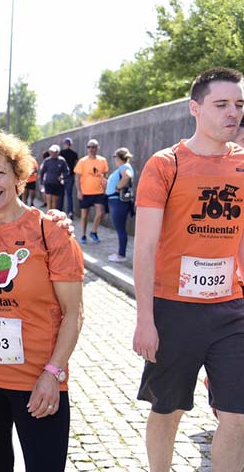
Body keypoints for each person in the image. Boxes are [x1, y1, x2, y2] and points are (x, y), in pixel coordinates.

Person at [0, 130, 84, 472]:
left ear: (18, 176)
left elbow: (73, 314)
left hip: (36, 381)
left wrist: (53, 374)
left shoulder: (50, 231)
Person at [132, 67, 244, 472]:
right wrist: (146, 319)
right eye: (221, 105)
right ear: (195, 108)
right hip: (174, 310)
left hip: (231, 309)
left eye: (239, 105)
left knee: (237, 415)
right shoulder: (165, 165)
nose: (232, 113)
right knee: (168, 409)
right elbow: (143, 248)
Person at [74, 139, 109, 244]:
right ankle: (83, 235)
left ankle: (93, 231)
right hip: (85, 192)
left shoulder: (102, 160)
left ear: (98, 148)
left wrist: (105, 183)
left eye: (93, 147)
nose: (91, 149)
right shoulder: (82, 161)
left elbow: (105, 174)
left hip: (98, 192)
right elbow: (77, 177)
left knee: (101, 212)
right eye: (89, 147)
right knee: (84, 216)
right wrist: (79, 191)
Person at [105, 147, 134, 262]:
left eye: (115, 157)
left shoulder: (124, 167)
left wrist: (117, 187)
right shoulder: (123, 168)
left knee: (120, 229)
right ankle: (120, 253)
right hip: (115, 201)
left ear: (118, 158)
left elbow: (127, 176)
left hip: (118, 202)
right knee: (120, 228)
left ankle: (121, 255)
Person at [39, 144, 69, 210]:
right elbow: (42, 172)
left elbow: (67, 171)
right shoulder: (47, 161)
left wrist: (62, 177)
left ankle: (53, 217)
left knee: (54, 203)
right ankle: (48, 217)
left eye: (55, 152)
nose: (53, 153)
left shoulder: (61, 161)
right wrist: (41, 183)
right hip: (48, 183)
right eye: (52, 151)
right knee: (49, 201)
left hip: (57, 184)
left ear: (58, 152)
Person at [59, 137, 79, 217]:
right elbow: (76, 165)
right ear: (71, 144)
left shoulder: (61, 153)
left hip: (62, 176)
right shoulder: (74, 154)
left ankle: (59, 211)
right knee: (69, 195)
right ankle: (70, 212)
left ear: (65, 144)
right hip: (70, 176)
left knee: (61, 194)